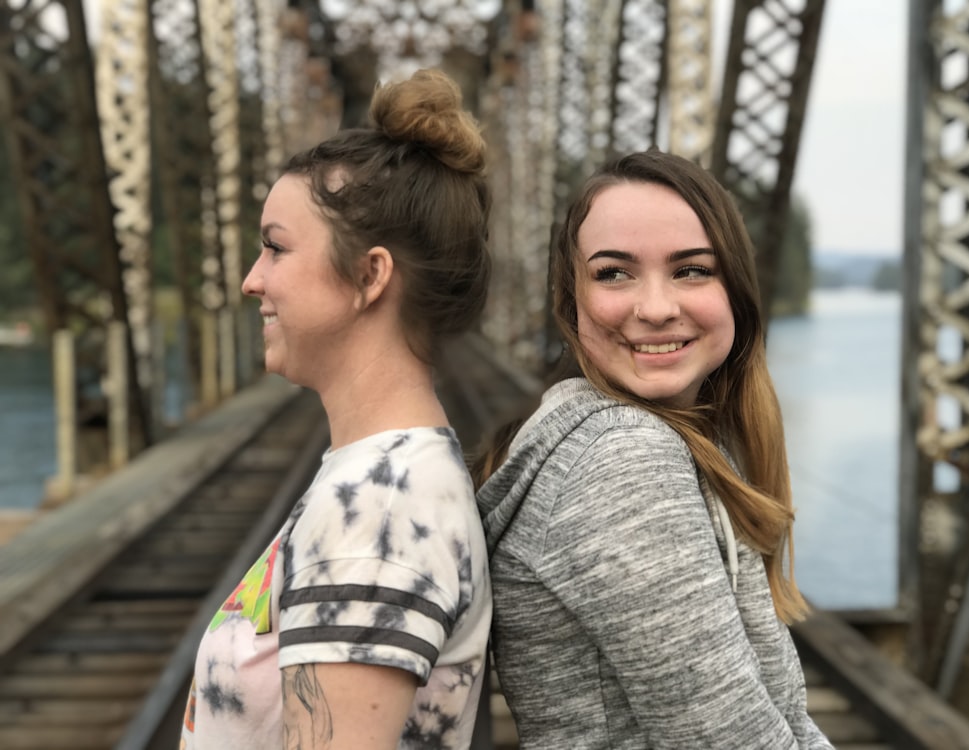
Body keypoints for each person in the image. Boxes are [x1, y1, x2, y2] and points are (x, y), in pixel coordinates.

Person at [475, 149, 834, 749]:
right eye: (613, 273)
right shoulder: (621, 462)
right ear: (571, 301)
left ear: (735, 291)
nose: (657, 308)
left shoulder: (651, 439)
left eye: (692, 270)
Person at [180, 68, 493, 750]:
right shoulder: (378, 475)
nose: (251, 279)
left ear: (369, 276)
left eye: (276, 247)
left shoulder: (380, 510)